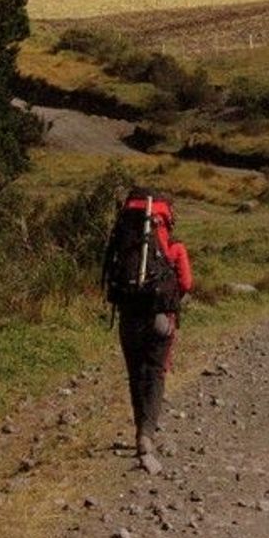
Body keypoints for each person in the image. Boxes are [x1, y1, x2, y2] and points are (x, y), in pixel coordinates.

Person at [107, 190, 193, 474]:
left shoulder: (127, 242)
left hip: (128, 314)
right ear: (166, 218)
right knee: (154, 373)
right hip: (160, 317)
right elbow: (187, 283)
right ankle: (147, 435)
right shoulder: (173, 246)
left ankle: (138, 433)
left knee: (135, 374)